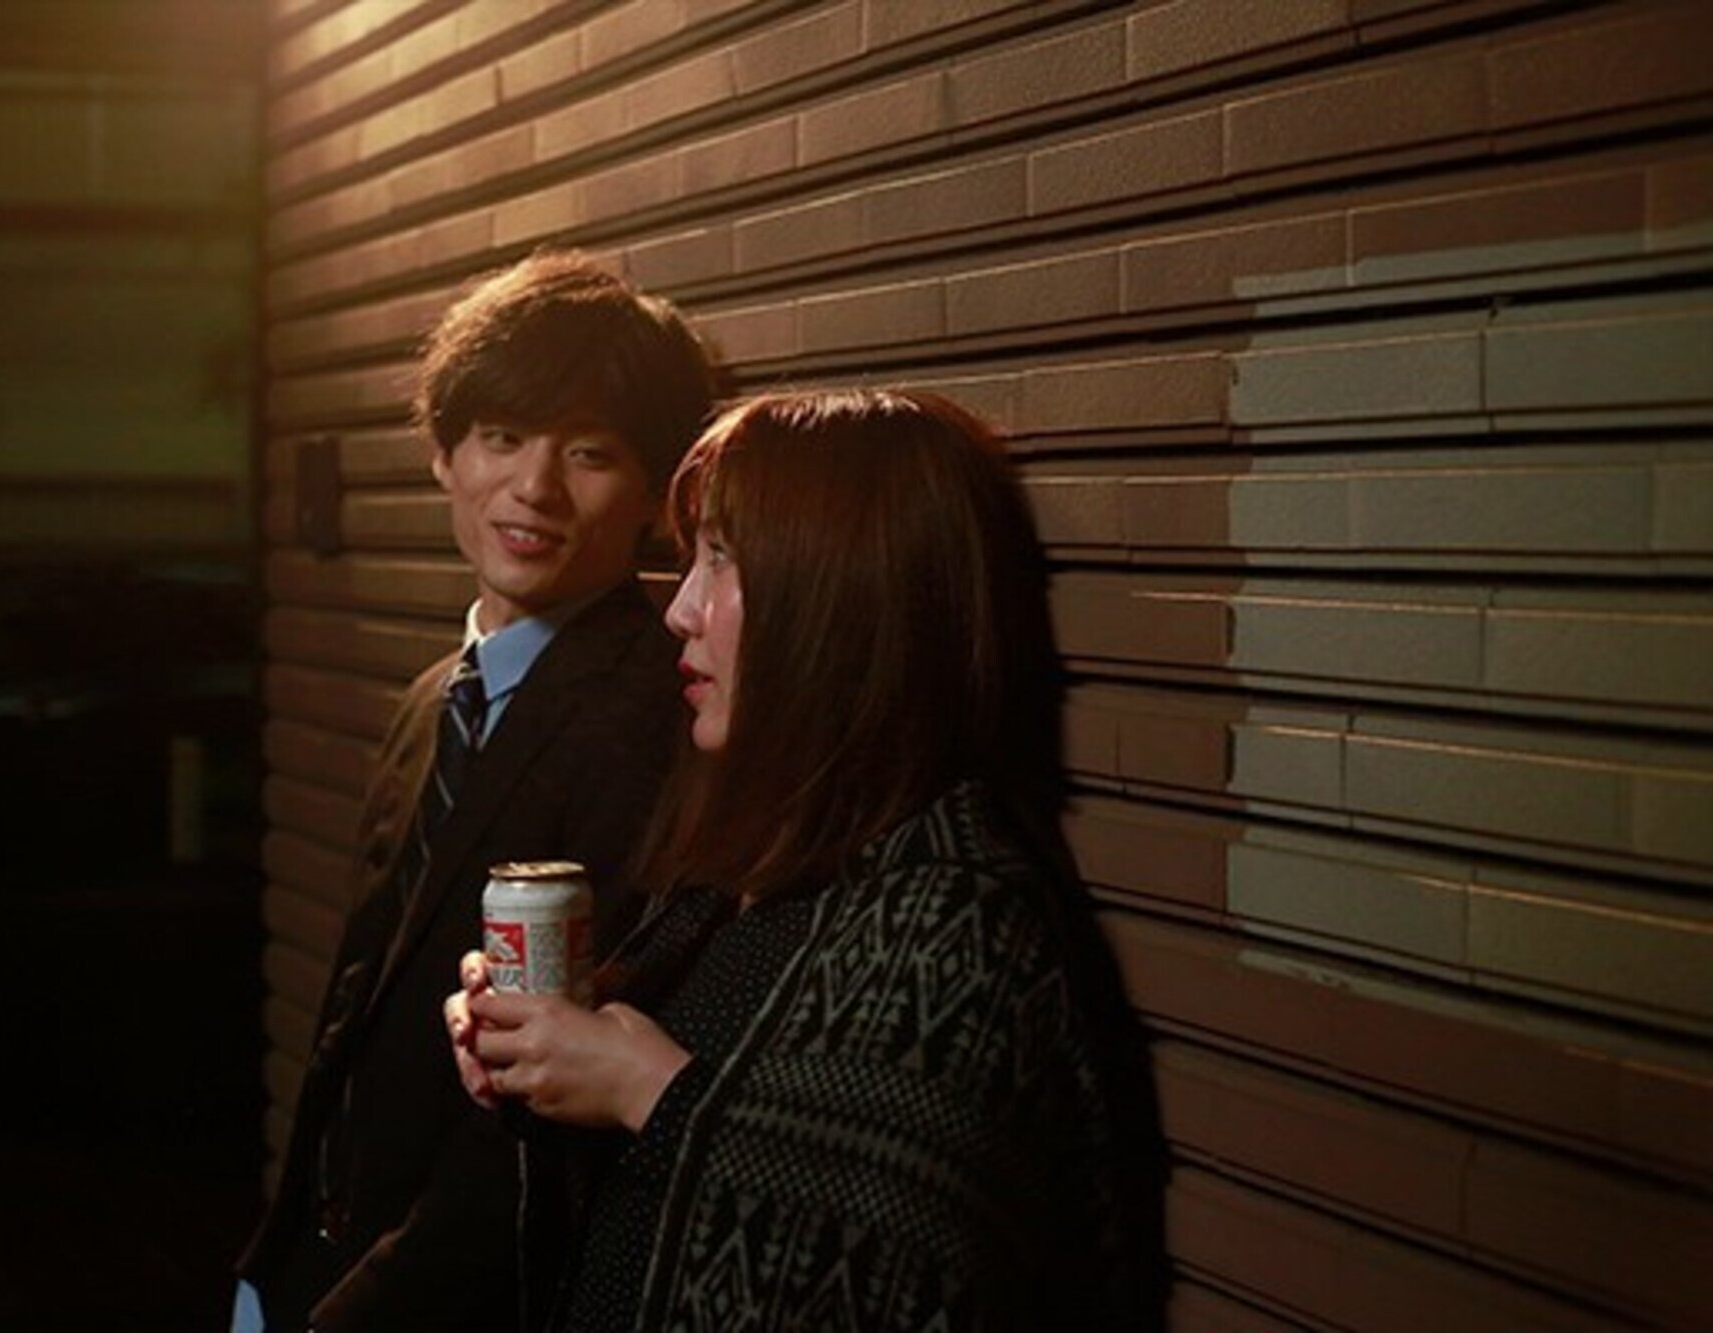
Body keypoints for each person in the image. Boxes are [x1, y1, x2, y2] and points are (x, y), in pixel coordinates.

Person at [447, 388, 1167, 1331]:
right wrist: (542, 1060)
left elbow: (903, 1261)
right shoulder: (752, 865)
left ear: (843, 600)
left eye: (722, 559)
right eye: (690, 559)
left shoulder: (957, 918)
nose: (681, 611)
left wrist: (644, 1088)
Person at [234, 250, 720, 1332]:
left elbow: (537, 1117)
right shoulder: (430, 700)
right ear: (443, 455)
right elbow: (359, 1013)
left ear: (654, 494)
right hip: (317, 1260)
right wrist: (272, 1267)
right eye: (502, 436)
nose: (534, 489)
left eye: (588, 452)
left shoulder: (658, 718)